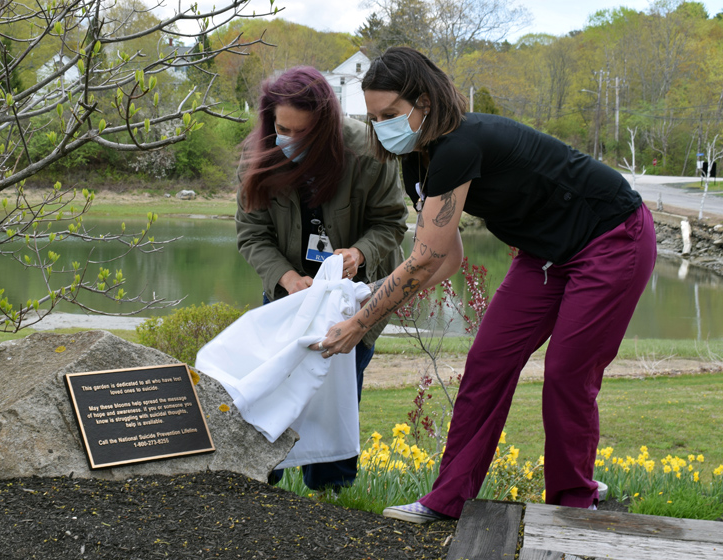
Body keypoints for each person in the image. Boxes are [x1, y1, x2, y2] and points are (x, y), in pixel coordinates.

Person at [317, 47, 657, 521]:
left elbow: (424, 259)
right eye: (373, 118)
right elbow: (448, 256)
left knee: (566, 374)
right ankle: (447, 501)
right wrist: (372, 306)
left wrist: (360, 321)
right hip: (544, 255)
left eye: (391, 114)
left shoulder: (461, 144)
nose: (381, 128)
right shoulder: (418, 158)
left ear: (425, 103)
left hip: (612, 237)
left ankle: (574, 502)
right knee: (486, 363)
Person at [235, 66, 409, 491]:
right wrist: (288, 279)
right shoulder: (259, 157)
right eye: (282, 128)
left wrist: (359, 253)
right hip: (288, 296)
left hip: (355, 298)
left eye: (302, 133)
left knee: (338, 392)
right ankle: (259, 486)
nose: (289, 139)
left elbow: (392, 222)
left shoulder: (369, 153)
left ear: (327, 126)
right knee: (270, 390)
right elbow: (252, 235)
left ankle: (331, 494)